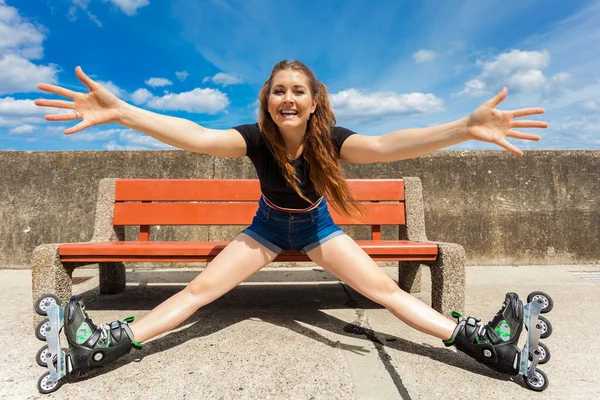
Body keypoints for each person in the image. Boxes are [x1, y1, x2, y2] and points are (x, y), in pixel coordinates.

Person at [35, 60, 547, 379]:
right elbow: (195, 134)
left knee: (389, 294)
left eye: (298, 90)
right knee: (197, 292)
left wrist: (463, 126)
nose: (287, 97)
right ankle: (99, 349)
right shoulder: (255, 139)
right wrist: (124, 112)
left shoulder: (333, 141)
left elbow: (391, 144)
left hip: (318, 228)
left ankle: (488, 346)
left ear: (314, 101)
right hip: (266, 228)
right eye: (278, 90)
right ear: (267, 101)